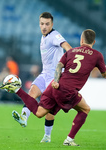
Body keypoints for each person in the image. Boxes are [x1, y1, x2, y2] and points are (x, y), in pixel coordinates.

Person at [0, 29, 106, 146]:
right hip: (69, 90)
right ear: (93, 42)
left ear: (81, 40)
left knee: (39, 112)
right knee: (85, 109)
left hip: (55, 85)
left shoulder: (71, 52)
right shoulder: (97, 55)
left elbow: (59, 65)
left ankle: (17, 90)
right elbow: (105, 75)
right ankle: (69, 140)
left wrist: (56, 81)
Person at [12, 12, 72, 143]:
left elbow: (68, 47)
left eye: (47, 24)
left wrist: (72, 59)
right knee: (32, 92)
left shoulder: (54, 35)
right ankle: (24, 118)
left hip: (55, 78)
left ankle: (47, 136)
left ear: (52, 24)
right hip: (44, 74)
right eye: (42, 24)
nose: (44, 26)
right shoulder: (43, 37)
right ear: (39, 24)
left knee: (49, 109)